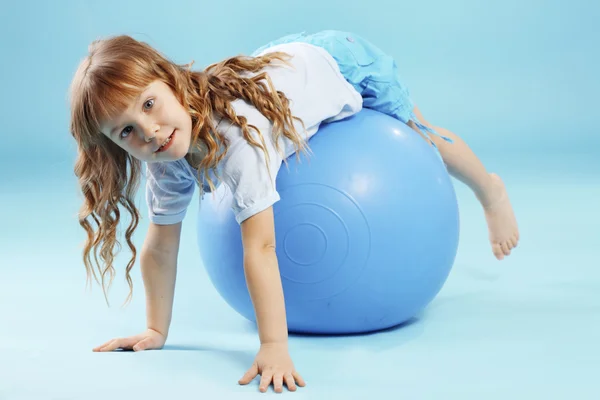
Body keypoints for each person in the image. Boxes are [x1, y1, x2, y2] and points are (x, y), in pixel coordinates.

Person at [68, 30, 519, 393]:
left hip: (339, 62)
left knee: (421, 132)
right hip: (285, 69)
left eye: (150, 104)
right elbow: (160, 247)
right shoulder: (164, 156)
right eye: (127, 130)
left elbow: (262, 245)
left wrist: (273, 346)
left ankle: (489, 188)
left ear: (169, 80)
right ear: (115, 146)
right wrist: (155, 330)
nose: (150, 131)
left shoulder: (238, 138)